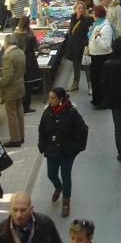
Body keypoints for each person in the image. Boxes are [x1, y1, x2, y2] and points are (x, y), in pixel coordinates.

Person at [38, 88, 87, 218]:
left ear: (61, 100)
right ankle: (58, 186)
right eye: (49, 97)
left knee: (66, 175)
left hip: (67, 150)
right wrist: (42, 145)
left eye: (53, 98)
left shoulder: (71, 112)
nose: (50, 100)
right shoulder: (47, 112)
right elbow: (42, 129)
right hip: (52, 149)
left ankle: (66, 201)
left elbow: (82, 129)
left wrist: (75, 147)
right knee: (51, 174)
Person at [1, 34, 27, 148]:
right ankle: (21, 136)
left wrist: (0, 84)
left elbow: (7, 76)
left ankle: (15, 139)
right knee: (19, 111)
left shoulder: (8, 56)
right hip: (20, 85)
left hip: (11, 89)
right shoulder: (20, 52)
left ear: (7, 43)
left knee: (12, 114)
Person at [88, 6, 114, 106]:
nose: (92, 15)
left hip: (102, 57)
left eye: (93, 13)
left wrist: (96, 36)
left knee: (101, 80)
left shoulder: (106, 26)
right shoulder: (97, 24)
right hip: (96, 56)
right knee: (95, 79)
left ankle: (103, 101)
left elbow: (106, 45)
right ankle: (97, 99)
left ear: (97, 14)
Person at [65, 1, 93, 94]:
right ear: (75, 9)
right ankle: (75, 84)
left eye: (82, 8)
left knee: (86, 66)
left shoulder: (88, 19)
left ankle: (90, 85)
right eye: (79, 8)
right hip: (73, 46)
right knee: (75, 65)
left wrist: (85, 42)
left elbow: (90, 32)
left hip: (83, 46)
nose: (80, 10)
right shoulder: (73, 18)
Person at [14, 16, 40, 114]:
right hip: (28, 63)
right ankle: (26, 107)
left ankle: (19, 105)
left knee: (19, 84)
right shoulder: (29, 37)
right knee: (28, 86)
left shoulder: (14, 35)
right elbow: (37, 45)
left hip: (17, 63)